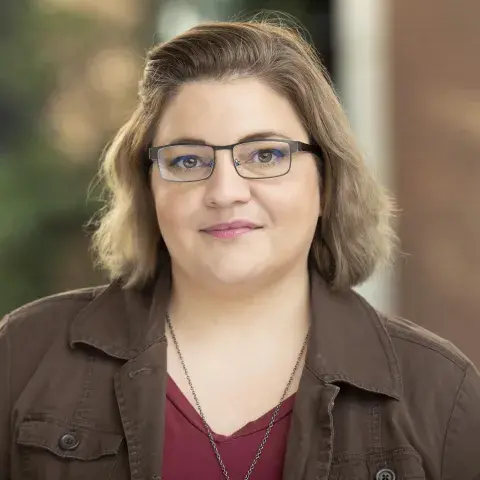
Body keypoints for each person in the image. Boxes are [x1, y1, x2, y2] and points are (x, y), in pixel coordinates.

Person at [1, 17, 479, 480]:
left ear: (328, 181)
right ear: (148, 189)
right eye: (188, 159)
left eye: (266, 154)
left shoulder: (440, 392)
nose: (225, 191)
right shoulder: (22, 356)